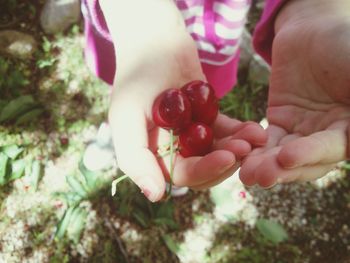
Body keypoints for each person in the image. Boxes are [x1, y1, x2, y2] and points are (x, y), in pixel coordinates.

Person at [82, 0, 350, 202]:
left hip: (216, 32)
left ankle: (171, 157)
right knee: (131, 92)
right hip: (133, 30)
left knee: (206, 94)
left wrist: (312, 11)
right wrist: (144, 26)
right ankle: (118, 134)